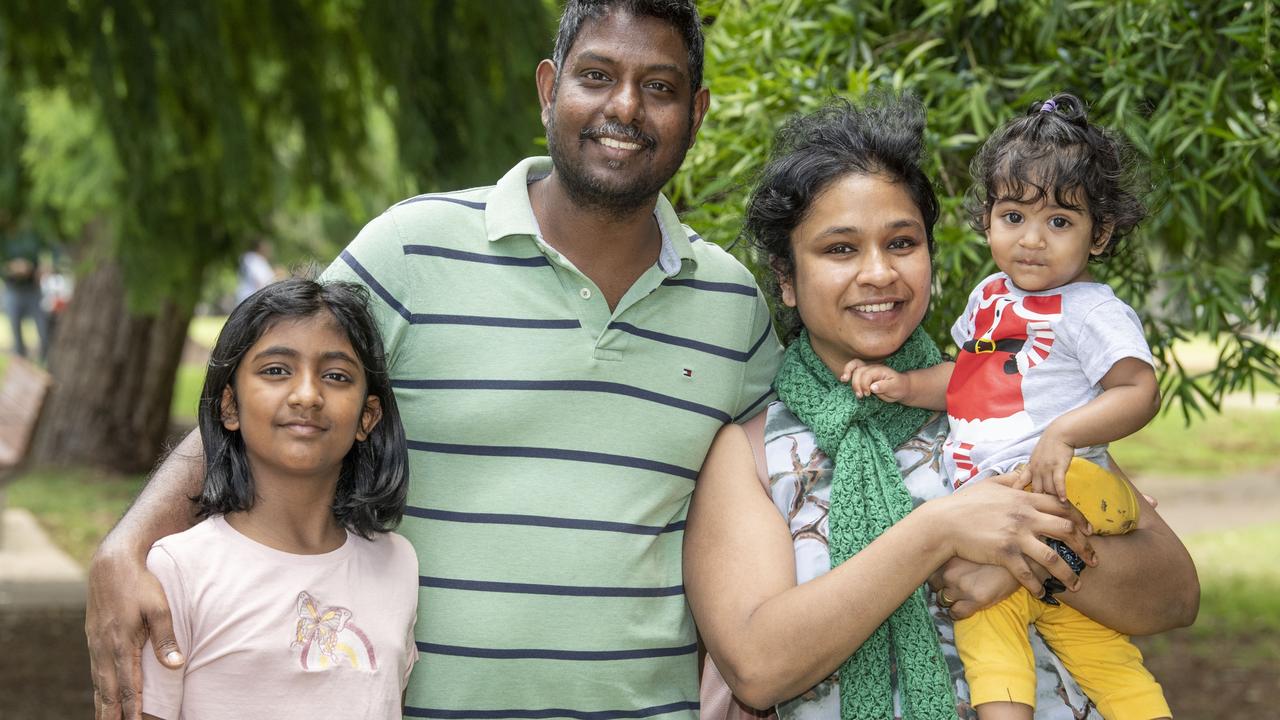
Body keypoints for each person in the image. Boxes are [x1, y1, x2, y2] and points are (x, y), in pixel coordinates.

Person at [85, 2, 781, 718]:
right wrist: (130, 542)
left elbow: (795, 481)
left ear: (697, 112)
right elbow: (274, 388)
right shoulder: (413, 249)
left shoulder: (731, 305)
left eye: (659, 87)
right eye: (597, 75)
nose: (625, 106)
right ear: (549, 89)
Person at [684, 95, 1198, 720]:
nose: (879, 273)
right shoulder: (750, 455)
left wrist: (1028, 565)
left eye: (902, 242)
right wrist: (939, 530)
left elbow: (1175, 594)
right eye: (840, 249)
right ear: (786, 278)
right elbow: (757, 669)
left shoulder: (1007, 401)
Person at [842, 93, 1169, 719]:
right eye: (1014, 216)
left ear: (1098, 235)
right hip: (1005, 499)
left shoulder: (1091, 310)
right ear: (988, 218)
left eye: (1060, 222)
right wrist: (905, 386)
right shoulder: (990, 296)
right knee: (997, 633)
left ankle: (1014, 569)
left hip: (1069, 485)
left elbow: (1139, 390)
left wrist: (1064, 434)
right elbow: (969, 377)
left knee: (997, 583)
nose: (1032, 241)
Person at [138, 278, 415, 720]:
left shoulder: (398, 565)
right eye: (276, 370)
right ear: (229, 406)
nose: (307, 395)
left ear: (368, 416)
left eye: (336, 376)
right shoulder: (179, 569)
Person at [2, 214, 50, 361]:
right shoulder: (4, 238)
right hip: (13, 290)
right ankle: (21, 364)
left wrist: (38, 268)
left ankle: (45, 361)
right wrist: (11, 268)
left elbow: (47, 254)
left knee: (44, 330)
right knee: (16, 335)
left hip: (33, 290)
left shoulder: (33, 235)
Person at [235, 239, 277, 305]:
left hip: (251, 296)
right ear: (260, 248)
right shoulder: (254, 260)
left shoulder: (253, 260)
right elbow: (259, 280)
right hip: (252, 297)